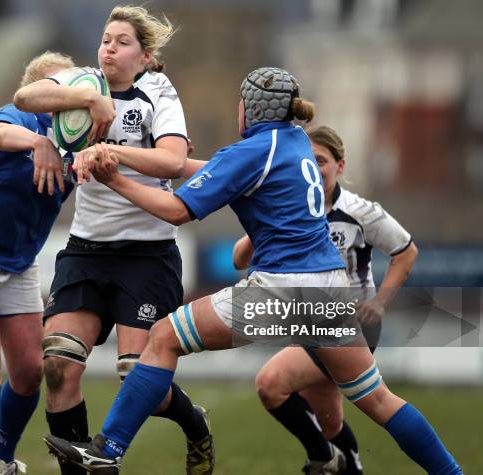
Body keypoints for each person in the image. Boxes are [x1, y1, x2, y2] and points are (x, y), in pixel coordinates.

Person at [41, 66, 462, 475]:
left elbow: (176, 210)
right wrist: (156, 162)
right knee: (380, 400)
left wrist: (113, 177)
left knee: (164, 338)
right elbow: (223, 168)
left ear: (249, 109)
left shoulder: (252, 152)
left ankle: (108, 449)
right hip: (333, 290)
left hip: (283, 290)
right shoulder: (295, 140)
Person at [13, 6, 214, 475]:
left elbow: (171, 161)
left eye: (122, 42)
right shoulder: (84, 81)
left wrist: (109, 150)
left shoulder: (158, 90)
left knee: (140, 378)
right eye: (105, 39)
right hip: (86, 249)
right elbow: (26, 97)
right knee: (58, 366)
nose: (109, 48)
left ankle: (194, 425)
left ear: (144, 56)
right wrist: (87, 101)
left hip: (147, 254)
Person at [0, 51, 114, 475]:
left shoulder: (80, 138)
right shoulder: (20, 119)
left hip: (17, 263)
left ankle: (5, 461)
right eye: (56, 86)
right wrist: (38, 142)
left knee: (30, 372)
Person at [233, 125, 418, 474]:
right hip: (311, 322)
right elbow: (239, 260)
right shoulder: (290, 207)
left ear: (340, 166)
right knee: (329, 421)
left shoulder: (359, 211)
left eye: (321, 160)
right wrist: (262, 228)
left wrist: (379, 304)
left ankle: (325, 459)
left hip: (349, 325)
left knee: (271, 384)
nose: (314, 168)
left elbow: (406, 251)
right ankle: (345, 463)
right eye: (307, 161)